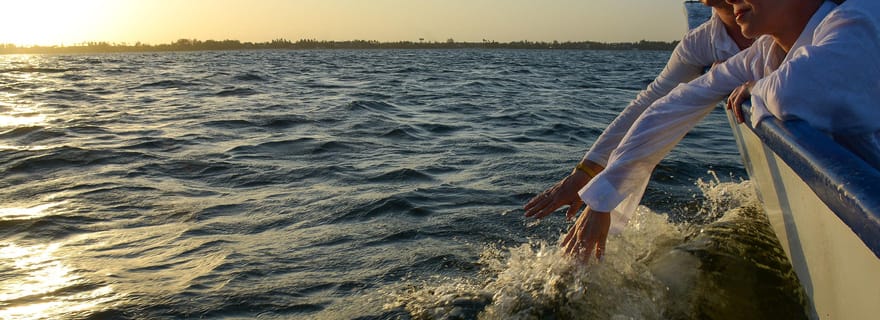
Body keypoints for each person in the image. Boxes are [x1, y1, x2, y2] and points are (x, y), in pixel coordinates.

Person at [561, 0, 880, 262]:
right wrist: (601, 196)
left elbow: (793, 93)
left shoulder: (861, 18)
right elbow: (674, 104)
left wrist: (757, 88)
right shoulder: (766, 50)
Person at [524, 1, 751, 233]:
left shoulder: (784, 23)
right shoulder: (701, 42)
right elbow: (653, 106)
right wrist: (585, 176)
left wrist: (749, 81)